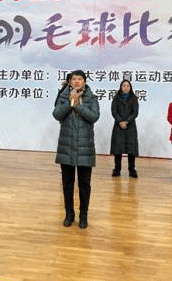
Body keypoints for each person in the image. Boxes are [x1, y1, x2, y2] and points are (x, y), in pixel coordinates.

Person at [53, 70, 99, 229]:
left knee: (84, 185)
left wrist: (78, 106)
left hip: (85, 147)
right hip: (67, 146)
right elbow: (56, 114)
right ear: (70, 81)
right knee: (67, 184)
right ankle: (69, 214)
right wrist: (70, 103)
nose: (77, 81)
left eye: (80, 79)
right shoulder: (63, 96)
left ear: (84, 82)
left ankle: (83, 215)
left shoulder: (91, 97)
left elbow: (94, 116)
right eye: (74, 79)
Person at [110, 79, 139, 178]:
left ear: (130, 88)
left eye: (127, 86)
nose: (126, 87)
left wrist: (127, 121)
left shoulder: (134, 98)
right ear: (121, 87)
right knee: (118, 149)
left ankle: (132, 169)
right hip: (118, 126)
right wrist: (120, 121)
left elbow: (135, 112)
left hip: (130, 126)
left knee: (131, 149)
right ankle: (117, 169)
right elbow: (114, 111)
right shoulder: (116, 98)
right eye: (124, 86)